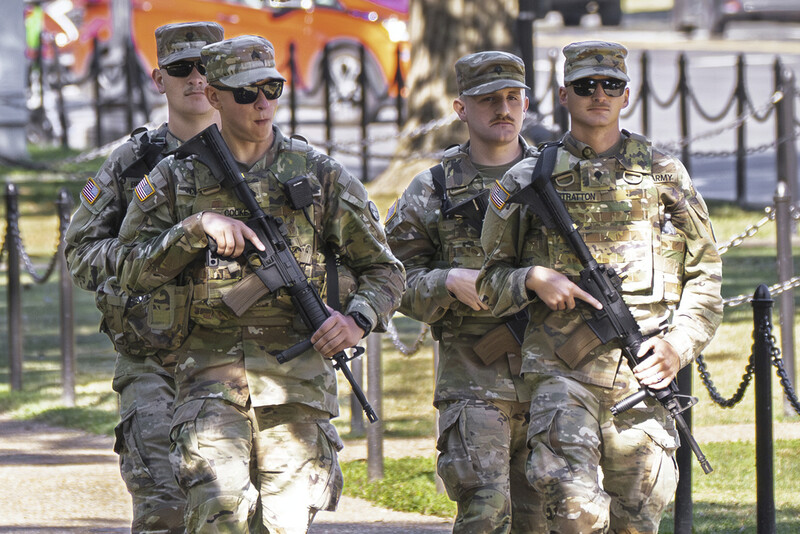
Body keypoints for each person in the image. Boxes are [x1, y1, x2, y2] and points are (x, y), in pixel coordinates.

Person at [114, 34, 405, 533]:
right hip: (208, 378)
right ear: (214, 96)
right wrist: (192, 229)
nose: (263, 103)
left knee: (284, 524)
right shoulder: (172, 179)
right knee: (219, 511)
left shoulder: (320, 175)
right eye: (247, 93)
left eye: (272, 88)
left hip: (298, 385)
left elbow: (386, 270)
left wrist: (356, 320)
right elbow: (124, 266)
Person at [477, 41, 723, 533]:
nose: (599, 95)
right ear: (563, 94)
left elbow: (706, 273)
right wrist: (531, 278)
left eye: (610, 85)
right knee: (575, 514)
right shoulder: (527, 179)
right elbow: (489, 280)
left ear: (626, 94)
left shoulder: (662, 173)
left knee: (638, 519)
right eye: (585, 86)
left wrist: (678, 345)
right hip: (560, 376)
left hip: (643, 378)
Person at [64, 21, 224, 534]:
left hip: (238, 359)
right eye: (182, 68)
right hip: (153, 359)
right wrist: (149, 261)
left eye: (207, 67)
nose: (196, 79)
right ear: (159, 79)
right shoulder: (130, 163)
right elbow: (80, 252)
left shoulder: (259, 156)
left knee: (237, 511)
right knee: (165, 508)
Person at [385, 51, 543, 533]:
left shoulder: (555, 178)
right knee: (484, 513)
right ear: (461, 108)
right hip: (474, 380)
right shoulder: (432, 189)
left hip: (554, 378)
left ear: (526, 103)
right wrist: (445, 282)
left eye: (513, 98)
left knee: (548, 519)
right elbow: (388, 278)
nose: (503, 109)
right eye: (488, 99)